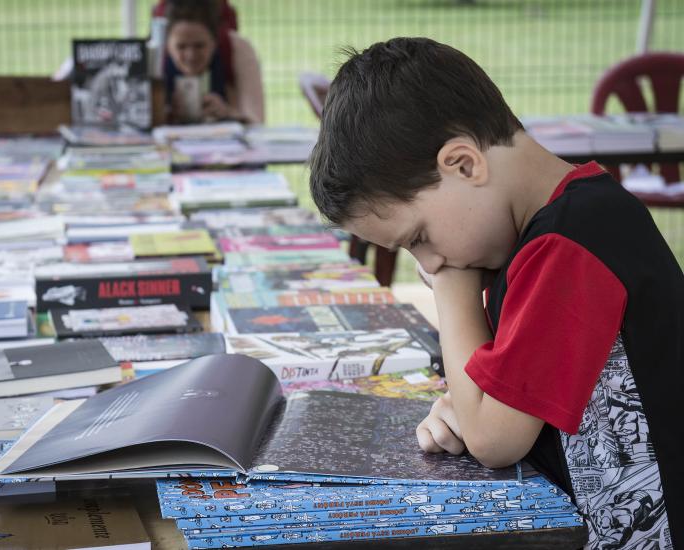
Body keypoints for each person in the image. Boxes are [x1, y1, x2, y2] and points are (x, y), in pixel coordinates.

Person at [309, 37, 682, 549]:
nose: (429, 262)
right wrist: (467, 401)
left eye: (418, 238)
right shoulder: (552, 230)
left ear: (464, 164)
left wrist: (450, 285)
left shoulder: (569, 245)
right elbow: (502, 405)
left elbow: (495, 440)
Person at [162, 0, 264, 124]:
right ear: (167, 44)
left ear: (215, 41)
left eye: (199, 46)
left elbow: (256, 121)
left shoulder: (237, 49)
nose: (191, 56)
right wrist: (163, 113)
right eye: (181, 47)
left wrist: (228, 113)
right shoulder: (155, 56)